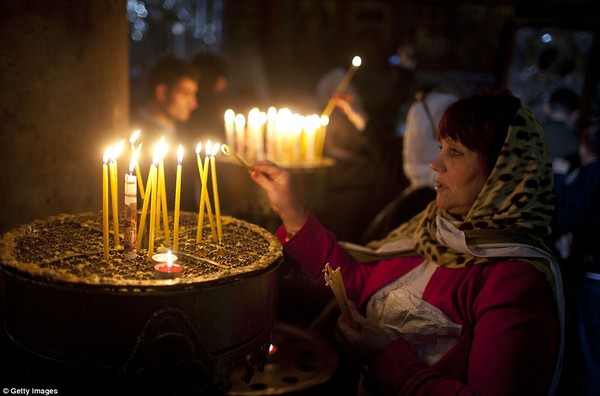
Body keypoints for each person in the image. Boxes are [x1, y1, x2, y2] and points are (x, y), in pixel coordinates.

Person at [250, 91, 564, 395]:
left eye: (455, 152)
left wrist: (385, 356)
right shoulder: (434, 229)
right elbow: (358, 280)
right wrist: (289, 209)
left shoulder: (514, 281)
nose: (435, 163)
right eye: (441, 147)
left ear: (501, 173)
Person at [553, 123, 600, 396]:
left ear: (585, 145)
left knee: (587, 353)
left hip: (592, 274)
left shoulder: (591, 174)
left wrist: (559, 179)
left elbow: (565, 216)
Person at [130, 56, 199, 212]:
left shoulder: (182, 131)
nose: (194, 104)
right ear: (162, 92)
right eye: (186, 94)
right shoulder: (136, 137)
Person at [402, 85, 459, 189]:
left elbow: (411, 168)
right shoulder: (419, 112)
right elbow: (410, 167)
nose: (434, 164)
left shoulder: (419, 111)